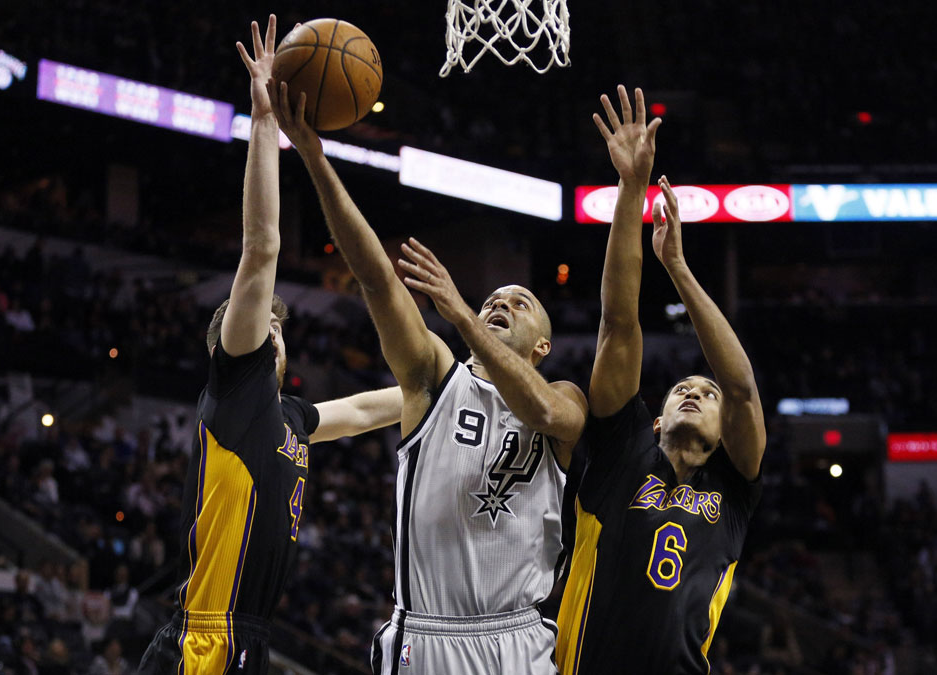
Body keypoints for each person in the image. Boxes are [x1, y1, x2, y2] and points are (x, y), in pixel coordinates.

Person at [269, 67, 589, 675]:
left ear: (543, 345)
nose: (500, 304)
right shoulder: (435, 378)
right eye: (493, 297)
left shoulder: (563, 397)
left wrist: (465, 317)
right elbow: (376, 277)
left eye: (519, 302)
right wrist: (313, 156)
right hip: (429, 640)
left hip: (521, 639)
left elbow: (548, 413)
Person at [136, 17, 402, 673]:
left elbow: (371, 409)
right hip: (201, 638)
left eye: (276, 324)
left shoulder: (291, 419)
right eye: (259, 323)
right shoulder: (234, 390)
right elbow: (261, 250)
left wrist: (474, 373)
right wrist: (263, 122)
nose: (270, 325)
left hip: (248, 640)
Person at [555, 86, 766, 674]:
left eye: (707, 394)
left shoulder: (735, 491)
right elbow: (618, 324)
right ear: (655, 419)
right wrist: (630, 190)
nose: (695, 391)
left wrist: (679, 267)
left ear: (725, 435)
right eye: (681, 390)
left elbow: (742, 386)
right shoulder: (624, 450)